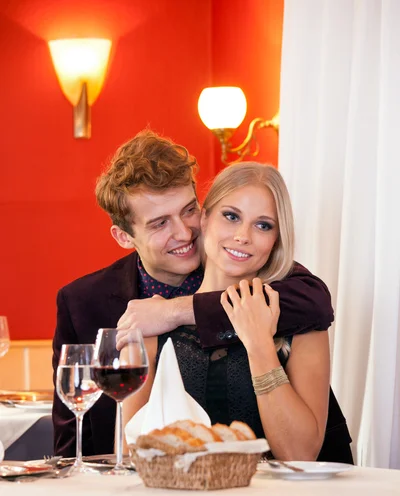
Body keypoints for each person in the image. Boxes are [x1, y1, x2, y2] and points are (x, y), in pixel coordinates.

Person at [52, 130, 337, 458]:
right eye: (160, 223)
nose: (184, 232)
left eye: (188, 211)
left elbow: (315, 301)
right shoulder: (90, 305)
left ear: (201, 211)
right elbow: (90, 443)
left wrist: (175, 311)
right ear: (124, 236)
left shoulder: (273, 286)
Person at [122, 162, 352, 462]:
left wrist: (259, 345)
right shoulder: (152, 324)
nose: (243, 236)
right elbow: (130, 456)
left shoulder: (302, 325)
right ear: (204, 219)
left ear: (276, 240)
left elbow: (299, 454)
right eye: (231, 217)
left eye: (263, 225)